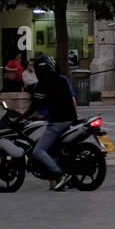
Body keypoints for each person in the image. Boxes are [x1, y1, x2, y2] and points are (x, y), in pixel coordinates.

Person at [27, 55, 77, 191]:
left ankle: (60, 175)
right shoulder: (62, 80)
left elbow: (33, 106)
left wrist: (20, 118)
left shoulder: (42, 84)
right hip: (69, 119)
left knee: (38, 151)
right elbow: (72, 101)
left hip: (57, 122)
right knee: (55, 149)